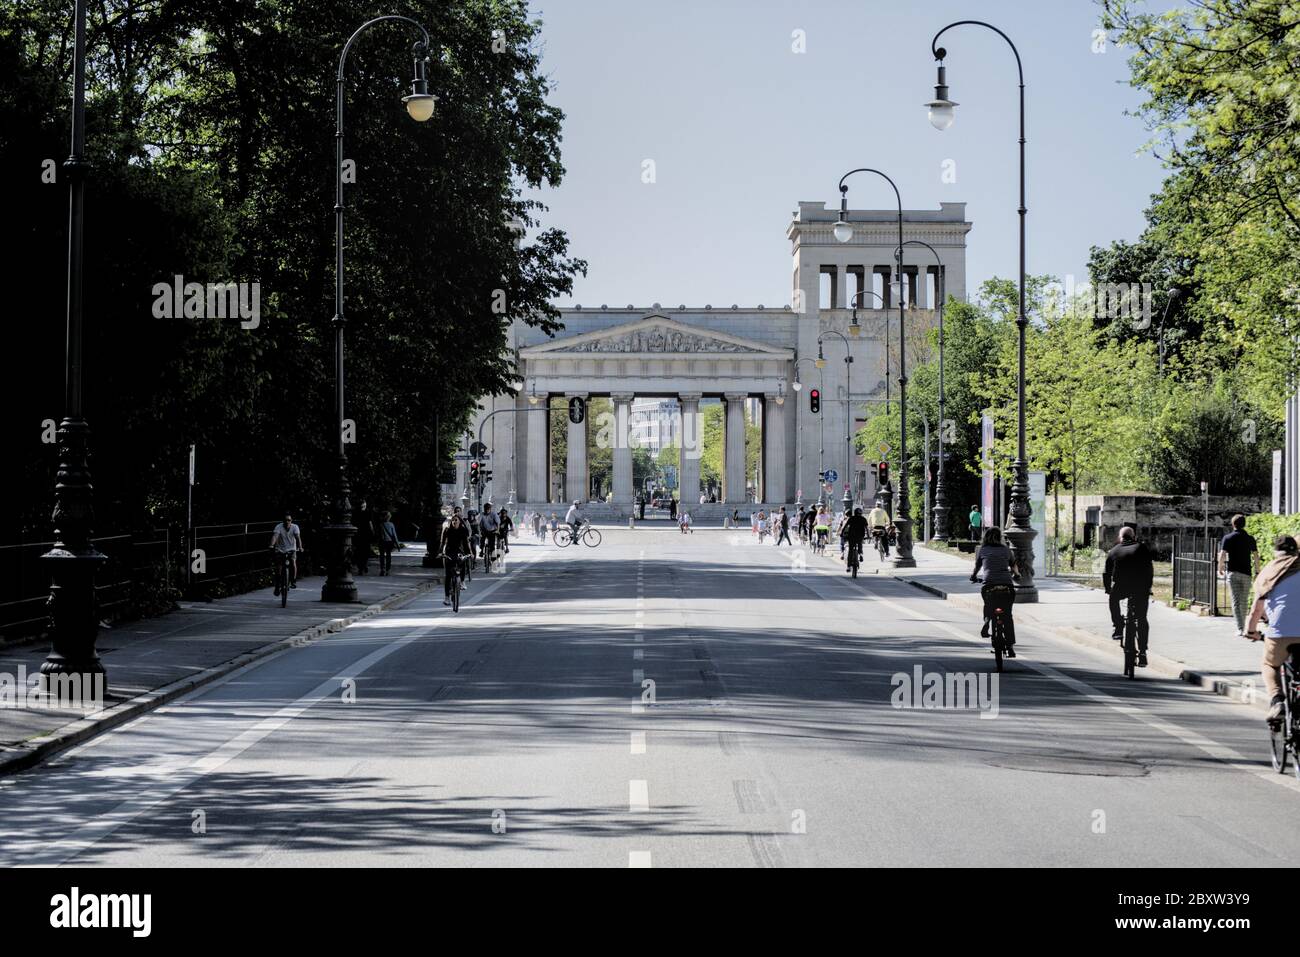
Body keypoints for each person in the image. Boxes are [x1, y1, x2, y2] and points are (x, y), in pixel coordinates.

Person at [1245, 534, 1300, 721]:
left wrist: (1250, 631)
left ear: (1276, 553)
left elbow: (1256, 611)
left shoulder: (1269, 574)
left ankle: (1277, 700)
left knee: (1269, 664)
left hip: (1280, 633)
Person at [1103, 526, 1156, 667]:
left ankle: (1118, 627)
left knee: (1113, 600)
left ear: (1120, 538)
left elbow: (1106, 573)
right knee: (1142, 618)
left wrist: (1108, 589)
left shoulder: (1114, 551)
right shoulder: (1142, 548)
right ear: (1134, 537)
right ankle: (1143, 652)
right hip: (1140, 589)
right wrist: (1148, 587)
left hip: (1121, 588)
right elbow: (1149, 570)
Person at [970, 526, 1018, 655]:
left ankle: (987, 620)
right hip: (1006, 585)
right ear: (1000, 537)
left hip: (989, 585)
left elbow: (977, 566)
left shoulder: (982, 550)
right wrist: (1017, 575)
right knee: (1007, 615)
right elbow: (1013, 565)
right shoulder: (1006, 550)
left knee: (989, 605)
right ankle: (1010, 646)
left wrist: (973, 576)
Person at [1218, 514, 1261, 637]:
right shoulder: (1250, 538)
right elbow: (1256, 556)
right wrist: (1257, 571)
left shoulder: (1228, 538)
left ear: (1233, 525)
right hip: (1247, 574)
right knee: (1244, 600)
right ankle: (1244, 626)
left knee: (1236, 601)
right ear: (1244, 524)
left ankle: (1240, 627)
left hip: (1233, 573)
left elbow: (1222, 554)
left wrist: (1220, 567)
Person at [439, 513, 472, 605]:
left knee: (463, 561)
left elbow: (465, 544)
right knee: (448, 576)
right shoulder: (447, 530)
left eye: (456, 520)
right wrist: (440, 552)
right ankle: (447, 597)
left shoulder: (463, 530)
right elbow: (442, 543)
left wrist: (469, 553)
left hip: (459, 551)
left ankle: (461, 581)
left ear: (459, 522)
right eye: (452, 520)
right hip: (449, 552)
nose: (454, 521)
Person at [269, 512, 304, 594]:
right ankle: (277, 586)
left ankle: (293, 581)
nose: (287, 521)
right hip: (280, 549)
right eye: (285, 520)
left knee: (293, 562)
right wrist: (271, 545)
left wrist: (300, 547)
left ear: (291, 521)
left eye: (289, 520)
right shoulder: (279, 527)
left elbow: (298, 538)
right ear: (283, 521)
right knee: (279, 567)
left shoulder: (295, 527)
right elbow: (275, 536)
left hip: (292, 549)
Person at [376, 510, 399, 575]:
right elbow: (394, 535)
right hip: (389, 542)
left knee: (382, 556)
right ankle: (387, 570)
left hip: (381, 542)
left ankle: (382, 569)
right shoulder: (391, 524)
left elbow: (377, 534)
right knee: (388, 555)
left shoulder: (380, 524)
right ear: (389, 517)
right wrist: (397, 544)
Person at [353, 499, 373, 575]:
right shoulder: (368, 513)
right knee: (365, 552)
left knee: (359, 552)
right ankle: (364, 565)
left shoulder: (355, 513)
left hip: (358, 534)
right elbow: (370, 523)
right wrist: (373, 532)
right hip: (366, 534)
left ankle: (360, 568)